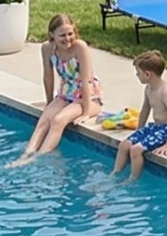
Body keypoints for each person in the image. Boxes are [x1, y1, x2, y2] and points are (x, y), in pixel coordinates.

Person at [9, 13, 102, 165]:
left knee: (58, 120)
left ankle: (38, 157)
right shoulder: (47, 48)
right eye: (62, 35)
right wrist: (49, 102)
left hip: (89, 97)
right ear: (52, 35)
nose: (67, 39)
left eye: (70, 33)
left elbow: (87, 81)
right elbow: (48, 77)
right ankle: (26, 155)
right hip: (66, 93)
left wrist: (86, 112)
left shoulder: (80, 47)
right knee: (45, 119)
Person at [112, 50, 167, 180]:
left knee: (136, 150)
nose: (136, 75)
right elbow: (145, 110)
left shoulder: (166, 92)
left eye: (138, 73)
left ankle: (133, 179)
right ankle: (115, 173)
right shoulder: (149, 88)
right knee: (124, 145)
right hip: (155, 128)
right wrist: (139, 131)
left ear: (147, 74)